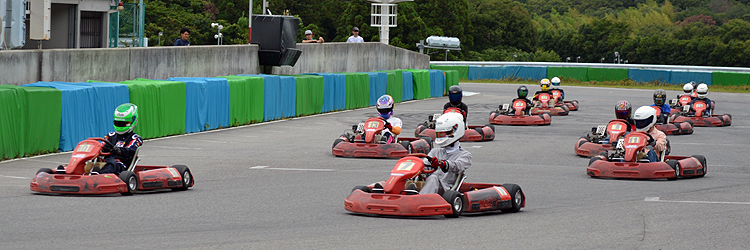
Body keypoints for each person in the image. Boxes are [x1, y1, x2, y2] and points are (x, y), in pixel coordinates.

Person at [418, 112, 472, 195]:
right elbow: (424, 165)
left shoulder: (465, 155)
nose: (441, 137)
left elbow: (457, 166)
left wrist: (442, 164)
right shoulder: (435, 152)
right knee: (412, 177)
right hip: (430, 185)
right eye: (439, 134)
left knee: (433, 178)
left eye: (443, 134)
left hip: (446, 188)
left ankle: (420, 200)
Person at [94, 103, 143, 174]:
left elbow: (130, 151)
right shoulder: (110, 136)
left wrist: (118, 150)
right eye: (118, 123)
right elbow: (102, 146)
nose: (120, 126)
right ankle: (81, 176)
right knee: (90, 163)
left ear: (133, 120)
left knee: (112, 165)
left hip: (121, 164)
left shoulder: (135, 138)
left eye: (124, 123)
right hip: (106, 161)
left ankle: (97, 177)